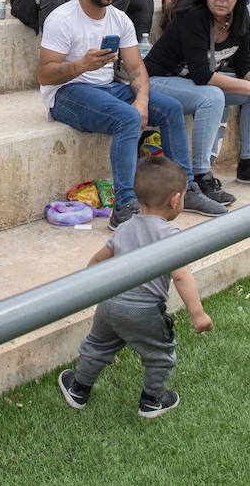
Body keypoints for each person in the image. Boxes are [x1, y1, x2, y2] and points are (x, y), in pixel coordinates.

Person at [39, 0, 220, 226]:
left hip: (107, 88)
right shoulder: (62, 18)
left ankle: (184, 190)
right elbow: (44, 74)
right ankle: (125, 205)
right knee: (128, 117)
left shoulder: (119, 18)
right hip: (68, 93)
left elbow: (137, 69)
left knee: (170, 107)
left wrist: (143, 99)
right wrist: (81, 66)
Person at [57, 155, 212, 420]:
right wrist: (197, 314)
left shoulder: (124, 228)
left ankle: (79, 389)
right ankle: (152, 400)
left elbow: (97, 260)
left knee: (97, 345)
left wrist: (88, 288)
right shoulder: (169, 236)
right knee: (160, 354)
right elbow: (182, 276)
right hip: (146, 311)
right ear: (175, 200)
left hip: (110, 304)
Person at [145, 0, 250, 200]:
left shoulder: (240, 17)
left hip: (191, 83)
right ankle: (201, 176)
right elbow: (203, 76)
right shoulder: (192, 16)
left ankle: (249, 164)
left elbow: (244, 64)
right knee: (213, 96)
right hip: (158, 80)